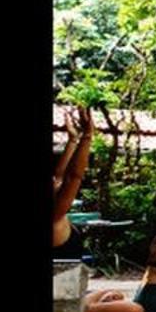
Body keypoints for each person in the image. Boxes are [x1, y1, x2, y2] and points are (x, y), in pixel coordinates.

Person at [52, 104, 94, 260]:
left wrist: (73, 140)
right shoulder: (55, 215)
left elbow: (60, 176)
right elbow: (72, 177)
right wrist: (87, 135)